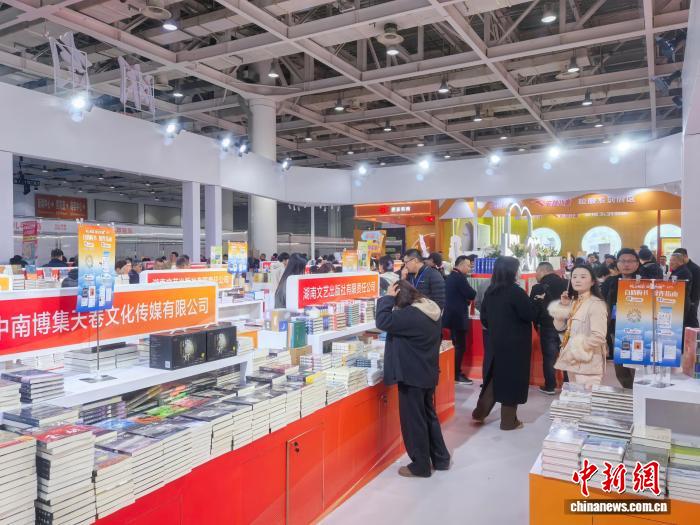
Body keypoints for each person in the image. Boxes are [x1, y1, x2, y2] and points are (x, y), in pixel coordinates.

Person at [375, 280, 450, 477]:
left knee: (413, 421)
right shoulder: (430, 309)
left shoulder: (411, 315)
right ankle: (441, 458)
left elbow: (382, 321)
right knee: (428, 416)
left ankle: (420, 465)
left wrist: (387, 298)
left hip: (411, 375)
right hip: (427, 372)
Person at [472, 257, 536, 430]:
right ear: (511, 271)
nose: (519, 272)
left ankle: (480, 412)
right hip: (516, 344)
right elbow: (529, 315)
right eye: (517, 268)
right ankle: (508, 421)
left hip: (496, 341)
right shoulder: (516, 292)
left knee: (496, 376)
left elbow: (484, 318)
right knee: (512, 380)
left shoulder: (491, 291)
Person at [548, 265, 609, 386]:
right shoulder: (575, 302)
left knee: (586, 396)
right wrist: (563, 306)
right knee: (574, 396)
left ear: (592, 282)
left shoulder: (596, 304)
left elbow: (599, 336)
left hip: (588, 363)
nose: (577, 280)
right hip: (573, 361)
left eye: (583, 277)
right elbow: (559, 327)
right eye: (574, 277)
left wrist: (576, 348)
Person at [530, 262, 568, 394]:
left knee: (549, 357)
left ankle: (550, 386)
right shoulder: (567, 284)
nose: (535, 276)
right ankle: (568, 386)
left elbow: (533, 310)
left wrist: (536, 325)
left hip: (547, 326)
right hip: (566, 326)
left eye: (536, 272)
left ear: (542, 271)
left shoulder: (537, 288)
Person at [606, 248, 641, 388]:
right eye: (623, 261)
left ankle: (638, 393)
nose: (626, 264)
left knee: (636, 365)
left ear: (637, 264)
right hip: (617, 329)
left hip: (638, 330)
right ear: (617, 263)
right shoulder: (611, 282)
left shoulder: (644, 282)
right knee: (620, 366)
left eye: (630, 261)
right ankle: (627, 391)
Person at [443, 255, 477, 385]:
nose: (469, 268)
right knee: (460, 346)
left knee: (456, 345)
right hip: (457, 317)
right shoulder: (459, 278)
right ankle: (456, 374)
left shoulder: (450, 277)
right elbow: (471, 294)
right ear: (461, 265)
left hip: (451, 316)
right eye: (468, 266)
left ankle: (454, 372)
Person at [673, 248, 700, 328]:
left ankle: (696, 335)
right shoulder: (680, 267)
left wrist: (693, 302)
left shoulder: (695, 268)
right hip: (683, 299)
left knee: (692, 321)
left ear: (685, 256)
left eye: (678, 258)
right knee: (684, 322)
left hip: (692, 300)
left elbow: (697, 287)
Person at [670, 252, 694, 328]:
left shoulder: (683, 272)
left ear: (680, 262)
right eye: (670, 260)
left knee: (678, 326)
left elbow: (675, 288)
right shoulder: (678, 271)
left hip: (681, 303)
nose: (670, 262)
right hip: (678, 302)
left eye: (673, 260)